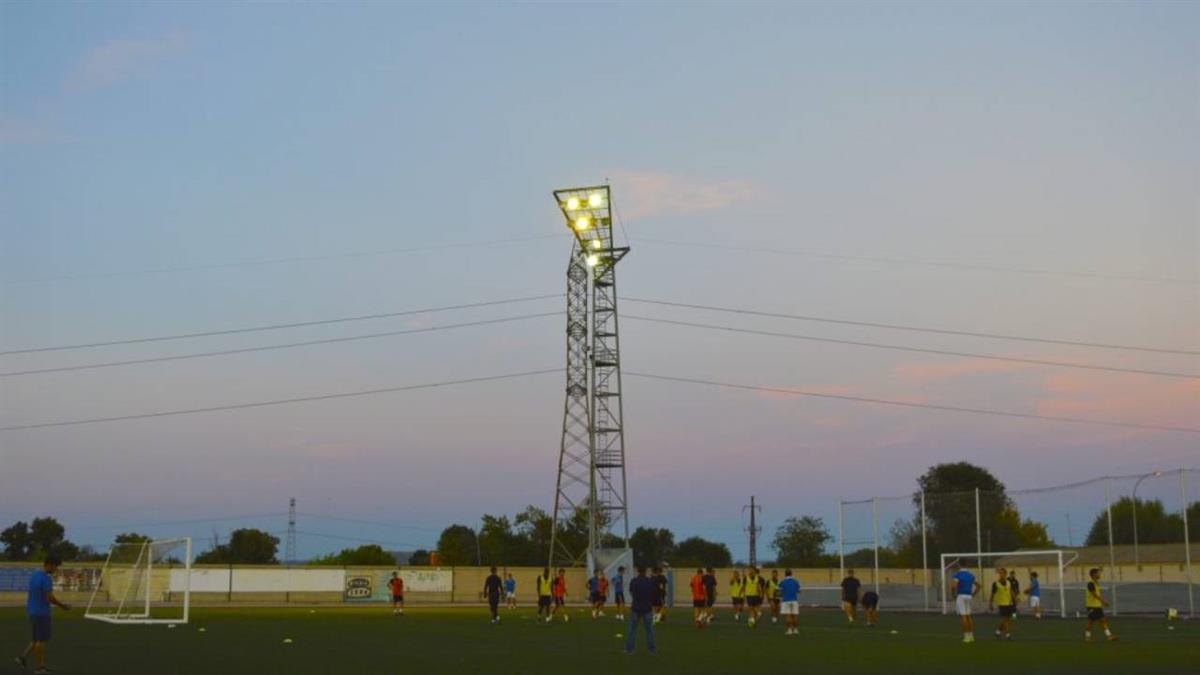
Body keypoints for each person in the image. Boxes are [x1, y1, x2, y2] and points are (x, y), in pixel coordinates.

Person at [15, 555, 70, 674]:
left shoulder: (35, 575)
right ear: (50, 564)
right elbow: (50, 598)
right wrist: (63, 606)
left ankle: (22, 658)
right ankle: (39, 668)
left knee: (36, 639)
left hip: (32, 611)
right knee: (41, 641)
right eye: (56, 566)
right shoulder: (46, 578)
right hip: (41, 613)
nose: (56, 569)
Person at [624, 566, 657, 655]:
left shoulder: (634, 581)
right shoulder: (650, 581)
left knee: (632, 630)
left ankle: (629, 649)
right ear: (645, 571)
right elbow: (653, 593)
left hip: (636, 607)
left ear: (638, 571)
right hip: (647, 608)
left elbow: (631, 593)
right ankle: (651, 649)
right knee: (649, 630)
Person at [949, 562, 981, 643]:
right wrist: (973, 594)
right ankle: (971, 635)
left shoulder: (958, 575)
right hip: (969, 596)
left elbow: (954, 586)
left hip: (961, 596)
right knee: (968, 616)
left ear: (959, 565)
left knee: (963, 616)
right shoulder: (971, 575)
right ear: (967, 565)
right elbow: (979, 586)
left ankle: (966, 636)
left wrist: (953, 594)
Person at [1084, 568, 1117, 642]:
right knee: (1091, 622)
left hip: (1097, 606)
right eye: (1098, 573)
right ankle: (1087, 637)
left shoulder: (1096, 583)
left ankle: (1109, 636)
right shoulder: (1091, 583)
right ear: (1094, 574)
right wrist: (1103, 601)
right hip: (1092, 606)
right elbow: (1094, 594)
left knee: (1102, 621)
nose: (1099, 575)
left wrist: (1101, 603)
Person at [988, 567, 1015, 640]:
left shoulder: (1009, 582)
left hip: (1009, 603)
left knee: (1006, 619)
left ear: (1006, 574)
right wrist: (990, 603)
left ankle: (998, 631)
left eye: (1002, 573)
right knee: (1005, 618)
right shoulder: (995, 583)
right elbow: (992, 594)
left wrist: (1015, 599)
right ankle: (1008, 635)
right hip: (1001, 603)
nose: (1001, 575)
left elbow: (1011, 591)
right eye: (1000, 573)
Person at [778, 569, 802, 635]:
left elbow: (779, 592)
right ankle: (795, 629)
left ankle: (789, 630)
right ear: (791, 574)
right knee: (795, 616)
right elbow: (799, 591)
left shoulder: (782, 582)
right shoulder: (796, 581)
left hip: (786, 600)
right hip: (794, 600)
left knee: (788, 616)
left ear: (785, 574)